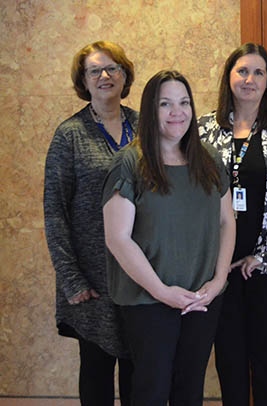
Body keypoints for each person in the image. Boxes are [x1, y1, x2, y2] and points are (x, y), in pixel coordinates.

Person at [102, 70, 236, 406]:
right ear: (150, 111)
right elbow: (118, 238)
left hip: (201, 298)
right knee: (151, 389)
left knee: (189, 390)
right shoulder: (130, 163)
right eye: (165, 104)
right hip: (148, 302)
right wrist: (162, 292)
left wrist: (218, 281)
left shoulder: (209, 161)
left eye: (183, 102)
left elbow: (226, 222)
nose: (177, 112)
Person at [198, 43, 267, 406]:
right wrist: (219, 260)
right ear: (229, 77)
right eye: (242, 71)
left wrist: (261, 256)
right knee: (228, 358)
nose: (249, 79)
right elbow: (195, 199)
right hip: (220, 267)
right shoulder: (204, 131)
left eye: (258, 72)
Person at [43, 40, 136, 405]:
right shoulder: (69, 135)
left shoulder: (146, 126)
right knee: (96, 373)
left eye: (112, 67)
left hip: (139, 274)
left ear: (125, 74)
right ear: (83, 80)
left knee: (138, 371)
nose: (104, 75)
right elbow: (55, 210)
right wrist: (70, 278)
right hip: (91, 278)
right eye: (94, 70)